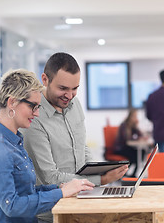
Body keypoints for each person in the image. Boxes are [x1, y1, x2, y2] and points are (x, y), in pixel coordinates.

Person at [20, 52, 128, 222]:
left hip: (82, 202)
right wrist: (100, 179)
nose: (69, 96)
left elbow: (82, 146)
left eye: (74, 88)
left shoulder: (74, 104)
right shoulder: (34, 117)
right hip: (52, 214)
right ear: (45, 79)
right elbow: (50, 177)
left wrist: (97, 170)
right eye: (63, 88)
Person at [0, 69, 94, 223]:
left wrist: (60, 188)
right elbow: (11, 206)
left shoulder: (14, 141)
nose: (37, 113)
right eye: (33, 106)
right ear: (12, 102)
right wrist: (60, 193)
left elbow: (26, 192)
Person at [114, 109, 143, 177]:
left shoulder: (133, 126)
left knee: (142, 152)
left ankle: (132, 174)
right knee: (135, 155)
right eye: (134, 116)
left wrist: (136, 125)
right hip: (121, 148)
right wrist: (135, 138)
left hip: (128, 148)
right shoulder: (124, 125)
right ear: (130, 116)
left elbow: (140, 135)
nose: (136, 118)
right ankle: (125, 174)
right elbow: (126, 139)